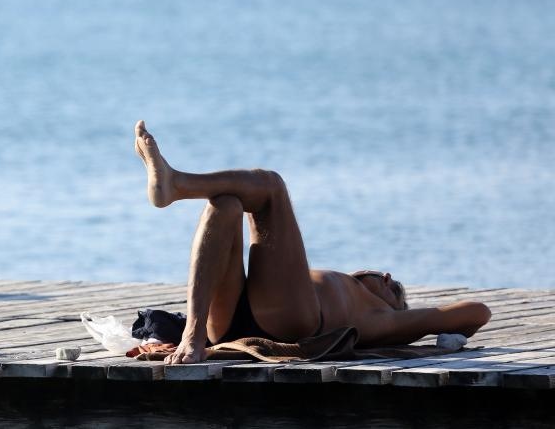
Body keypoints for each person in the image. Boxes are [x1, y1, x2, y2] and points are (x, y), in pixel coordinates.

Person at [133, 121, 491, 365]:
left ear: (396, 306)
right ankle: (193, 333)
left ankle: (178, 184)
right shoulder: (325, 285)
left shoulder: (383, 318)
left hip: (291, 322)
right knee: (225, 203)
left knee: (271, 186)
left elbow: (478, 312)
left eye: (395, 288)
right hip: (226, 320)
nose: (387, 275)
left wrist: (424, 323)